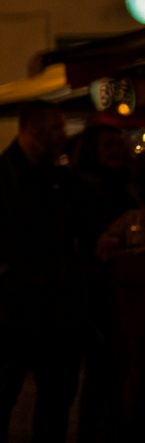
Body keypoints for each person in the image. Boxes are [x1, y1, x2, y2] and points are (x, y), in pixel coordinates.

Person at [0, 102, 79, 443]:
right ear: (31, 129)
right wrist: (3, 278)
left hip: (53, 311)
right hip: (6, 313)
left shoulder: (56, 179)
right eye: (55, 128)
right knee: (0, 398)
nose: (62, 136)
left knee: (55, 401)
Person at [71, 124, 141, 442]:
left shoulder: (127, 183)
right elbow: (98, 236)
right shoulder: (87, 186)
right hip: (98, 288)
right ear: (92, 152)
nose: (115, 150)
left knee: (118, 369)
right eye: (107, 145)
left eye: (118, 143)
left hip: (126, 288)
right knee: (102, 370)